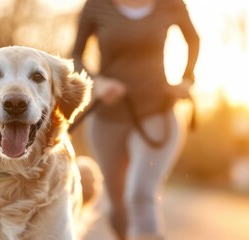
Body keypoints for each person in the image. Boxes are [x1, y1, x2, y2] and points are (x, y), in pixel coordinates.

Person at [71, 0, 200, 239]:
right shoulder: (97, 6)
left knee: (140, 194)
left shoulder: (170, 4)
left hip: (156, 111)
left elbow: (193, 40)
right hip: (107, 115)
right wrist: (98, 83)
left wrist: (186, 79)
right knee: (116, 202)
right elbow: (76, 54)